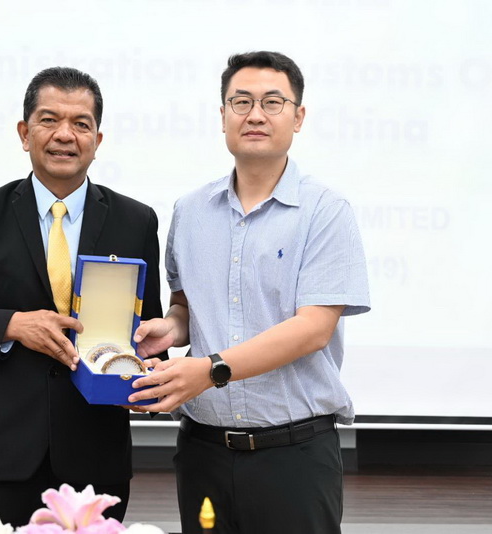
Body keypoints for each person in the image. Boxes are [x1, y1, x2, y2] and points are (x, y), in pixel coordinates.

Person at [128, 51, 371, 533]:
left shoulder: (325, 211)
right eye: (241, 102)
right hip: (203, 452)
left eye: (272, 102)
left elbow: (313, 329)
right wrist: (171, 329)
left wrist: (211, 370)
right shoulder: (190, 211)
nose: (255, 114)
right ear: (223, 116)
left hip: (295, 456)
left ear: (298, 117)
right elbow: (186, 306)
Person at [0, 66, 164, 527]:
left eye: (81, 124)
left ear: (97, 140)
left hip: (97, 462)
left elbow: (149, 332)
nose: (65, 135)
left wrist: (146, 377)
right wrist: (12, 325)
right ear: (24, 133)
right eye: (49, 120)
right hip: (2, 458)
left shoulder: (136, 220)